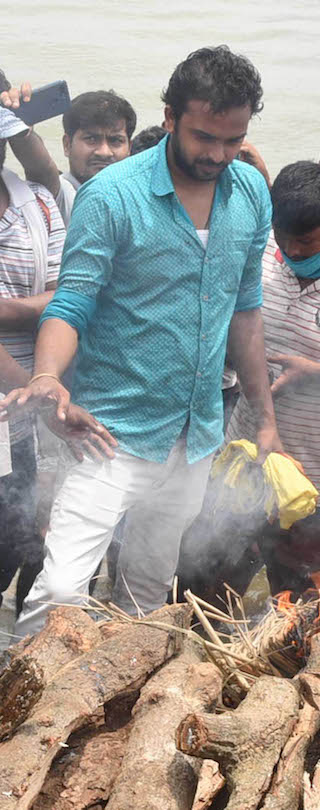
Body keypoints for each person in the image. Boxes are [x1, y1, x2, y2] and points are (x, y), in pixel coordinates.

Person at [2, 45, 281, 637]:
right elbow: (72, 301)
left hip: (198, 431)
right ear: (171, 115)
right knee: (60, 589)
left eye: (234, 141)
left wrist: (265, 416)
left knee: (149, 588)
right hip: (111, 433)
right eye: (206, 137)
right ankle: (18, 713)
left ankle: (119, 706)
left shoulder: (252, 195)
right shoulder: (113, 196)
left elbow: (247, 314)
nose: (219, 155)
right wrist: (47, 377)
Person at [180, 161, 320, 600]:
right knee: (198, 588)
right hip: (245, 464)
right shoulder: (257, 262)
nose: (295, 251)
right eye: (285, 238)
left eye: (308, 241)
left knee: (298, 606)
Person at [0, 70, 66, 613]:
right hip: (26, 398)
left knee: (14, 545)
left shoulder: (37, 204)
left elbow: (67, 297)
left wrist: (6, 310)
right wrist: (36, 391)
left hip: (19, 422)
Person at [1, 85, 137, 226]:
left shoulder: (138, 197)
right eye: (91, 139)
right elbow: (42, 169)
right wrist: (19, 127)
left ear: (129, 148)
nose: (104, 152)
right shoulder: (62, 195)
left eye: (116, 141)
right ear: (67, 144)